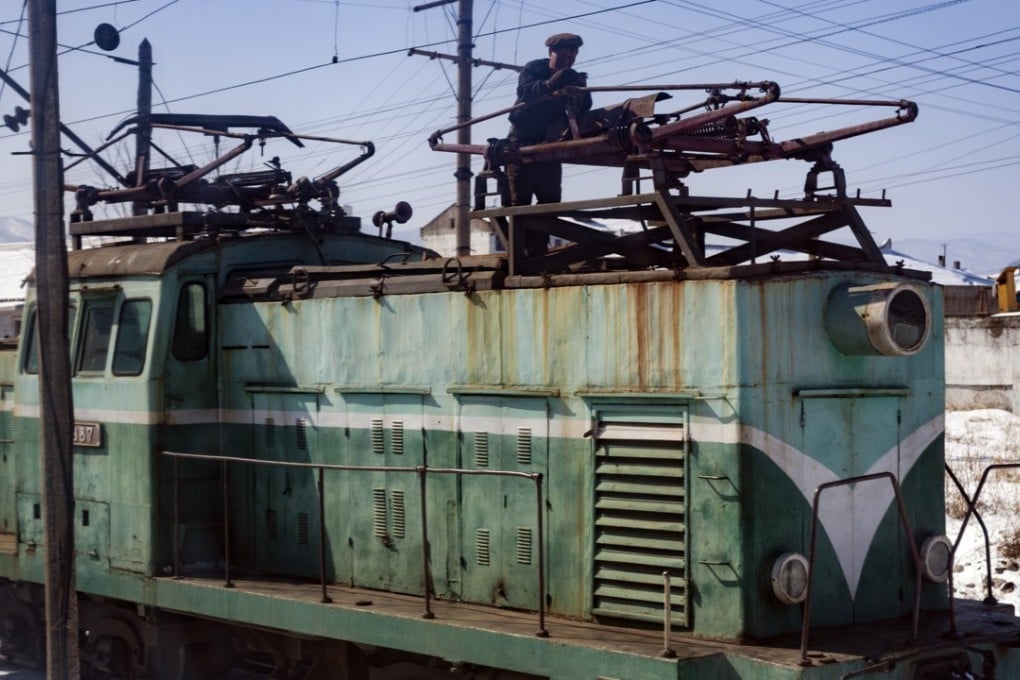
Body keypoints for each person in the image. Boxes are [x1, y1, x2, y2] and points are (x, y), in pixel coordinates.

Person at [502, 32, 593, 208]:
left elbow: (584, 108)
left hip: (550, 146)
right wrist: (549, 84)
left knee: (550, 202)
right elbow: (524, 92)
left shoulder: (572, 76)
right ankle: (519, 234)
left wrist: (582, 92)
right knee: (519, 204)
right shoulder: (533, 69)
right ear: (551, 52)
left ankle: (541, 234)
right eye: (564, 55)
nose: (568, 60)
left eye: (572, 56)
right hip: (521, 144)